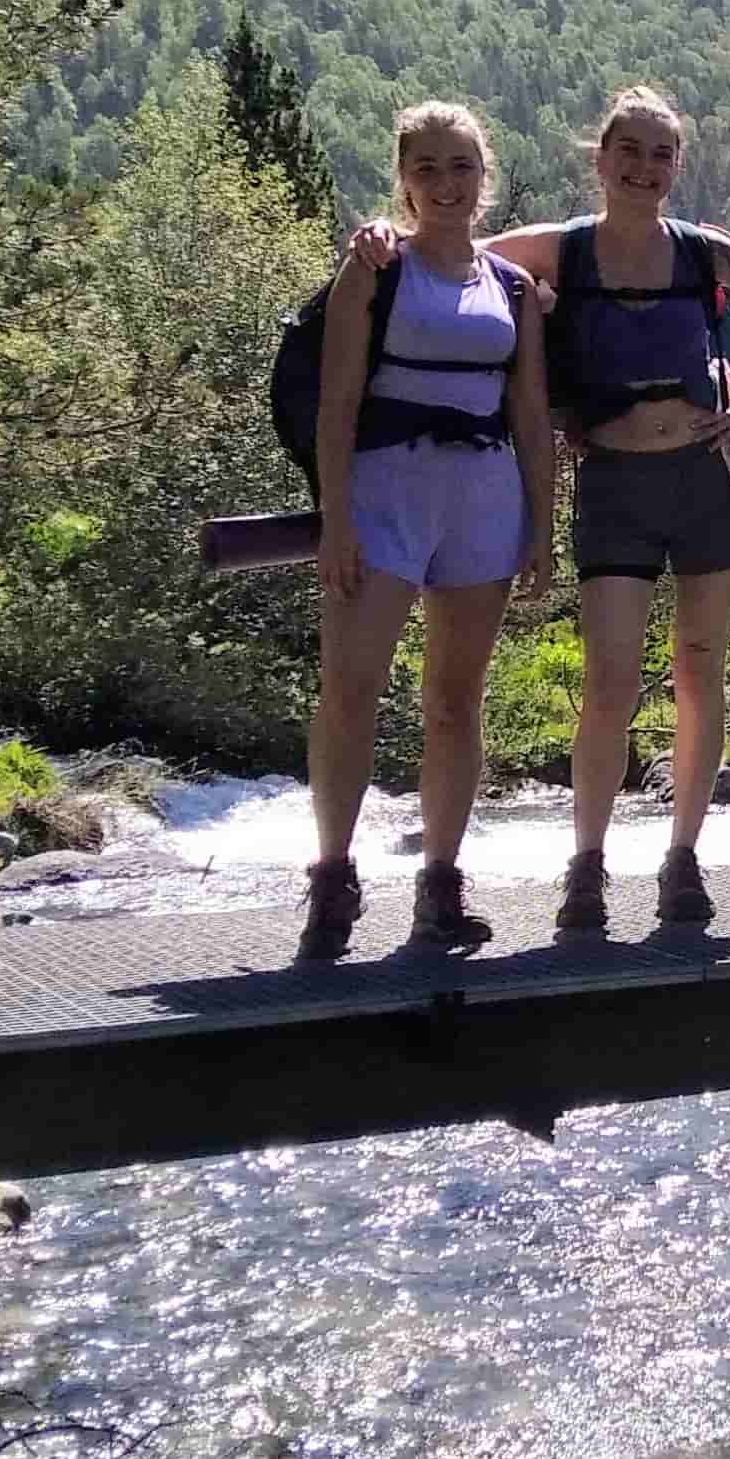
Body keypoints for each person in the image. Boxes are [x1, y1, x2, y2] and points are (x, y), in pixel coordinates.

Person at [359, 85, 730, 934]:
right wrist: (381, 241)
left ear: (676, 165)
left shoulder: (706, 251)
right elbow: (449, 248)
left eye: (660, 154)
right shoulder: (560, 251)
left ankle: (682, 860)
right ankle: (586, 867)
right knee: (609, 683)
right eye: (630, 151)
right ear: (601, 157)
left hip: (707, 481)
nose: (643, 168)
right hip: (615, 485)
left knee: (698, 670)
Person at [303, 103, 556, 959]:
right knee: (350, 693)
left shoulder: (512, 287)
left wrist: (540, 526)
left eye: (462, 168)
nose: (446, 184)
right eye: (429, 169)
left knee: (454, 703)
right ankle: (332, 879)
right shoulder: (371, 271)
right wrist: (335, 521)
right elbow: (336, 408)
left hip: (483, 502)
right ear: (403, 180)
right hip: (384, 497)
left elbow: (529, 412)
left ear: (484, 179)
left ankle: (440, 885)